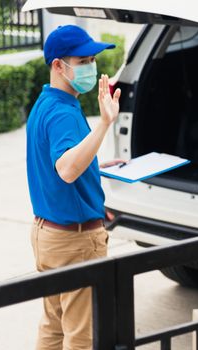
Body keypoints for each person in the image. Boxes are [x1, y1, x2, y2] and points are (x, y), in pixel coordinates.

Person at [26, 25, 124, 350]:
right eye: (82, 60)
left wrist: (96, 166)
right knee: (83, 338)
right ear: (58, 65)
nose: (91, 67)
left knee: (53, 329)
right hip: (75, 242)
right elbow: (67, 169)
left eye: (92, 59)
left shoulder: (45, 103)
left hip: (48, 235)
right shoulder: (63, 113)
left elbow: (65, 163)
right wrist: (106, 123)